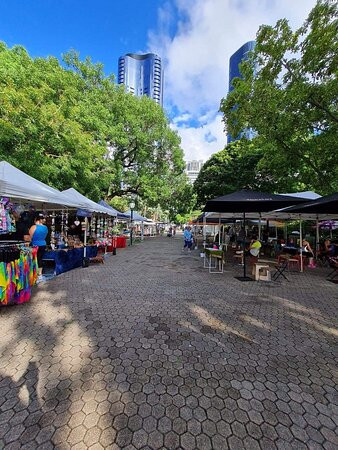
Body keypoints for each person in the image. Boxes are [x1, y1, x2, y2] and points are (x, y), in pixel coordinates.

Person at [29, 212, 48, 283]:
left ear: (35, 219)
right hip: (43, 244)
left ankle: (34, 275)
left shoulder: (33, 227)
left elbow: (29, 237)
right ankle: (40, 274)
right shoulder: (45, 227)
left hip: (35, 245)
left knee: (34, 259)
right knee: (40, 259)